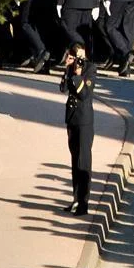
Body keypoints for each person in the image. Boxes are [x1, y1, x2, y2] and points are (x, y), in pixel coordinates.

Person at [59, 44, 96, 216]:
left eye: (81, 56)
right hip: (72, 119)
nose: (79, 60)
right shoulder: (71, 68)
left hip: (84, 121)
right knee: (75, 161)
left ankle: (84, 203)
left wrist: (78, 75)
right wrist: (67, 68)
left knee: (84, 163)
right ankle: (75, 199)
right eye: (76, 56)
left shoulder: (90, 69)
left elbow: (84, 94)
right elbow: (63, 89)